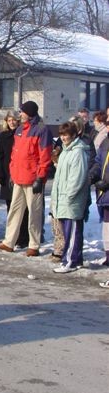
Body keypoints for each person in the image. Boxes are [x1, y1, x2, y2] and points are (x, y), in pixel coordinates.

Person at [0, 100, 53, 257]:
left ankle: (34, 245)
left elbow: (45, 156)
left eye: (22, 112)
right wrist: (11, 173)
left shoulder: (42, 130)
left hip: (33, 179)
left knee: (34, 214)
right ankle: (9, 242)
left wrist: (40, 177)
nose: (19, 114)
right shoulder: (20, 130)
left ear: (29, 113)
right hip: (18, 178)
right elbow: (15, 155)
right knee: (14, 212)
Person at [50, 122, 89, 273]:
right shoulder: (66, 151)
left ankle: (70, 261)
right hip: (64, 199)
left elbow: (77, 178)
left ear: (74, 135)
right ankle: (76, 259)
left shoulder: (77, 152)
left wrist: (68, 196)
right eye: (62, 135)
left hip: (71, 200)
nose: (64, 138)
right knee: (71, 232)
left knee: (72, 232)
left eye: (66, 135)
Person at [0, 110, 29, 247]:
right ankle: (11, 237)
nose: (12, 122)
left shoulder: (21, 134)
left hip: (20, 174)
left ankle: (23, 237)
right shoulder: (3, 136)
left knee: (23, 208)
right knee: (11, 208)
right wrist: (0, 175)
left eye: (14, 120)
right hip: (7, 175)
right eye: (9, 120)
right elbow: (0, 156)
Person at [89, 118, 109, 277]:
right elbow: (98, 161)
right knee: (107, 227)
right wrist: (92, 176)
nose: (107, 122)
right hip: (105, 194)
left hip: (107, 187)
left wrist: (107, 181)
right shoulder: (105, 142)